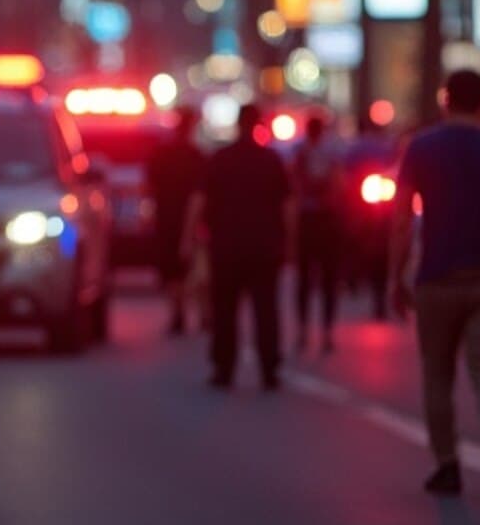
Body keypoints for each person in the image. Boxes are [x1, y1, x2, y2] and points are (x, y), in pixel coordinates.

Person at [391, 71, 480, 495]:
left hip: (436, 276)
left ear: (445, 100)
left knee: (437, 373)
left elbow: (398, 219)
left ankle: (447, 464)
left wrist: (396, 275)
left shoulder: (421, 148)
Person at [199, 103, 294, 389]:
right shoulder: (271, 161)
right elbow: (287, 206)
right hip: (264, 247)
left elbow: (204, 202)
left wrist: (199, 238)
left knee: (224, 311)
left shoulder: (220, 159)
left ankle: (223, 368)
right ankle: (269, 369)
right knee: (266, 310)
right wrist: (289, 243)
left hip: (226, 247)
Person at [146, 106, 208, 335]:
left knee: (175, 269)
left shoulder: (164, 154)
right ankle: (193, 314)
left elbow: (149, 187)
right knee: (187, 268)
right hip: (183, 219)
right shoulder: (195, 156)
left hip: (169, 218)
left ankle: (180, 313)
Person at [292, 111, 347, 354]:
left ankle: (315, 330)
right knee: (317, 279)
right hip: (319, 219)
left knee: (315, 280)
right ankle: (318, 330)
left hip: (318, 219)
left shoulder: (318, 151)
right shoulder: (308, 152)